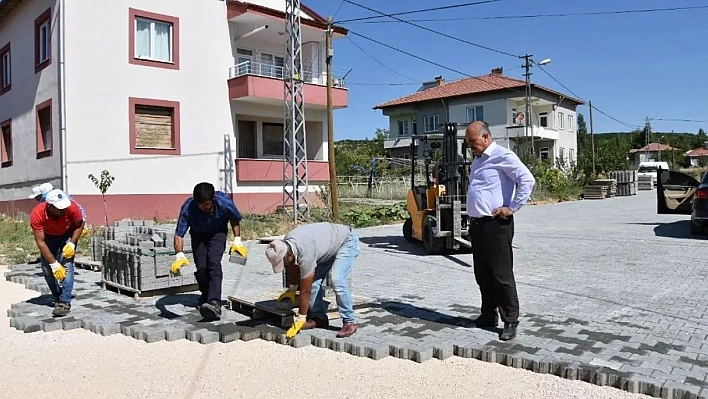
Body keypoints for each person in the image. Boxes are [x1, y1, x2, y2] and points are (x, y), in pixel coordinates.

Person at [464, 121, 535, 341]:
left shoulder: (503, 156)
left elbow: (527, 180)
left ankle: (510, 320)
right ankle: (488, 314)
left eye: (472, 142)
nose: (470, 147)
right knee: (482, 273)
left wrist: (511, 207)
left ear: (485, 137)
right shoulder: (477, 160)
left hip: (496, 225)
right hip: (478, 225)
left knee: (501, 275)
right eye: (468, 143)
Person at [265, 222, 360, 339]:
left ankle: (350, 322)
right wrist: (292, 289)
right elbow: (294, 265)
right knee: (315, 283)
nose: (284, 266)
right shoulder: (287, 244)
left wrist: (301, 318)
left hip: (346, 242)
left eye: (283, 262)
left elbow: (306, 291)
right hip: (326, 247)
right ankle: (319, 318)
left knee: (337, 280)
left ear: (289, 254)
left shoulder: (305, 251)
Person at [171, 182, 247, 321]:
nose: (204, 207)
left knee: (214, 263)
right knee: (201, 268)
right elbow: (178, 234)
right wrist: (179, 254)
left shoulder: (224, 202)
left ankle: (214, 302)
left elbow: (234, 218)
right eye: (201, 205)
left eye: (206, 204)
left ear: (213, 199)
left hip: (218, 233)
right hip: (198, 235)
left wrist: (237, 240)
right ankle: (206, 297)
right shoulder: (189, 207)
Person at [29, 189, 85, 317]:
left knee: (67, 265)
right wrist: (53, 263)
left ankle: (64, 301)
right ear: (49, 206)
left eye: (64, 207)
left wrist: (72, 242)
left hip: (67, 235)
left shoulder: (71, 207)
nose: (63, 210)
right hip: (48, 237)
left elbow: (80, 224)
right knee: (47, 269)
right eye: (59, 208)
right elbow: (41, 242)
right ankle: (57, 295)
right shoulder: (37, 214)